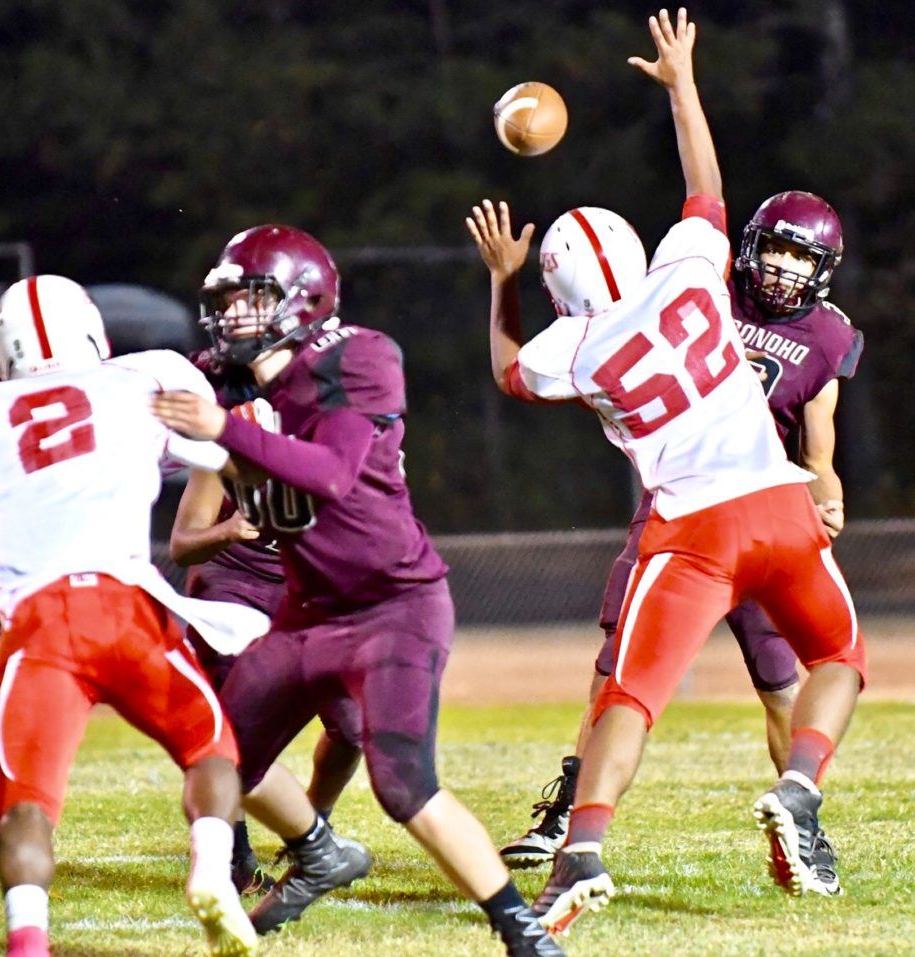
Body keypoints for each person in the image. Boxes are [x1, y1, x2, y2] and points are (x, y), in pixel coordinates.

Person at [466, 6, 865, 934]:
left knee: (631, 698)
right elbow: (704, 186)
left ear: (563, 297)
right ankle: (800, 790)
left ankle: (583, 851)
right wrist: (684, 84)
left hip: (689, 530)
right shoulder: (690, 271)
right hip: (779, 504)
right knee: (839, 660)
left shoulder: (574, 352)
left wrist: (501, 277)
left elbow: (504, 369)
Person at [151, 225, 565, 957]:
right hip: (305, 612)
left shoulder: (359, 357)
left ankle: (524, 933)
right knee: (216, 760)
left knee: (403, 785)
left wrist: (222, 427)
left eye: (249, 300)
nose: (230, 319)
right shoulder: (225, 379)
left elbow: (332, 472)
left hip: (393, 605)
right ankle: (314, 854)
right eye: (226, 303)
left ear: (302, 300)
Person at [0, 275, 267, 957]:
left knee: (26, 806)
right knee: (211, 749)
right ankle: (210, 865)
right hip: (127, 604)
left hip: (40, 624)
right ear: (91, 330)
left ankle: (28, 940)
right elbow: (227, 457)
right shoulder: (146, 378)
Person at [171, 349, 364, 894]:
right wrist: (228, 531)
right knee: (228, 733)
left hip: (305, 589)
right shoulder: (224, 450)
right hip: (235, 588)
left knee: (353, 727)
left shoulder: (333, 438)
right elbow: (183, 544)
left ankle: (312, 824)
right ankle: (232, 850)